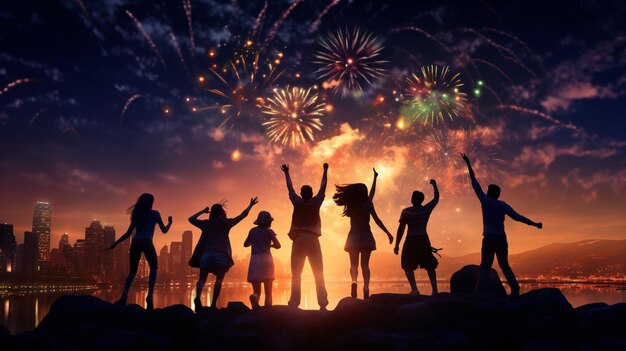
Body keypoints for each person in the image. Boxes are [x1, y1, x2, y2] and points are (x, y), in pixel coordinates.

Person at [461, 153, 542, 297]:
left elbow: (474, 182)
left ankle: (478, 292)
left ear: (490, 192)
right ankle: (515, 289)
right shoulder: (502, 204)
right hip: (501, 239)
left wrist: (468, 164)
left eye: (488, 189)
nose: (486, 189)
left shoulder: (485, 201)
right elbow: (518, 217)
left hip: (489, 238)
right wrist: (534, 224)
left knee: (485, 266)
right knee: (504, 265)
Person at [188, 197, 259, 311]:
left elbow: (191, 219)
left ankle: (197, 298)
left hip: (206, 255)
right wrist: (250, 205)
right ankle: (213, 304)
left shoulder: (206, 223)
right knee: (219, 280)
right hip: (221, 255)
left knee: (202, 279)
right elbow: (243, 215)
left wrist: (203, 211)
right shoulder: (226, 223)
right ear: (222, 212)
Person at [333, 168, 393, 299]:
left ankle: (354, 282)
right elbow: (377, 220)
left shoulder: (351, 204)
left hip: (353, 237)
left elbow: (370, 195)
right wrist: (388, 233)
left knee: (353, 264)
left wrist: (375, 179)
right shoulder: (368, 204)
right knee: (365, 264)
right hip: (366, 237)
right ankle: (366, 286)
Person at [107, 193, 172, 311]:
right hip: (147, 241)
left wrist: (115, 244)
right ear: (151, 203)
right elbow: (164, 231)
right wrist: (170, 223)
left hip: (136, 242)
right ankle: (150, 296)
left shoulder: (137, 215)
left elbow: (128, 234)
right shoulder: (155, 214)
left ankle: (124, 296)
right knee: (153, 268)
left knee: (132, 271)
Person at [281, 163, 329, 310]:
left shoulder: (297, 202)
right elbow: (323, 187)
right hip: (313, 240)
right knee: (318, 272)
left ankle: (294, 303)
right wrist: (325, 171)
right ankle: (322, 303)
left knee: (296, 273)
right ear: (311, 193)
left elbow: (290, 188)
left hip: (299, 239)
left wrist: (287, 173)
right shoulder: (316, 202)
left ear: (301, 194)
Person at [394, 179, 440, 295]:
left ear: (412, 200)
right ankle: (435, 291)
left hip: (411, 240)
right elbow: (436, 199)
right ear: (421, 200)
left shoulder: (406, 212)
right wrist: (434, 185)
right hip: (423, 239)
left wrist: (397, 245)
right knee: (429, 265)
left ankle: (414, 289)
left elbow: (401, 229)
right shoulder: (426, 209)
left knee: (407, 264)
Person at [244, 210, 281, 310]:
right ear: (268, 222)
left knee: (257, 291)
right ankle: (268, 312)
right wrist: (270, 245)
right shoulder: (269, 232)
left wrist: (255, 242)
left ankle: (254, 297)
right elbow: (278, 245)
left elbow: (245, 244)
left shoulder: (252, 231)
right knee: (268, 292)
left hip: (255, 261)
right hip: (267, 261)